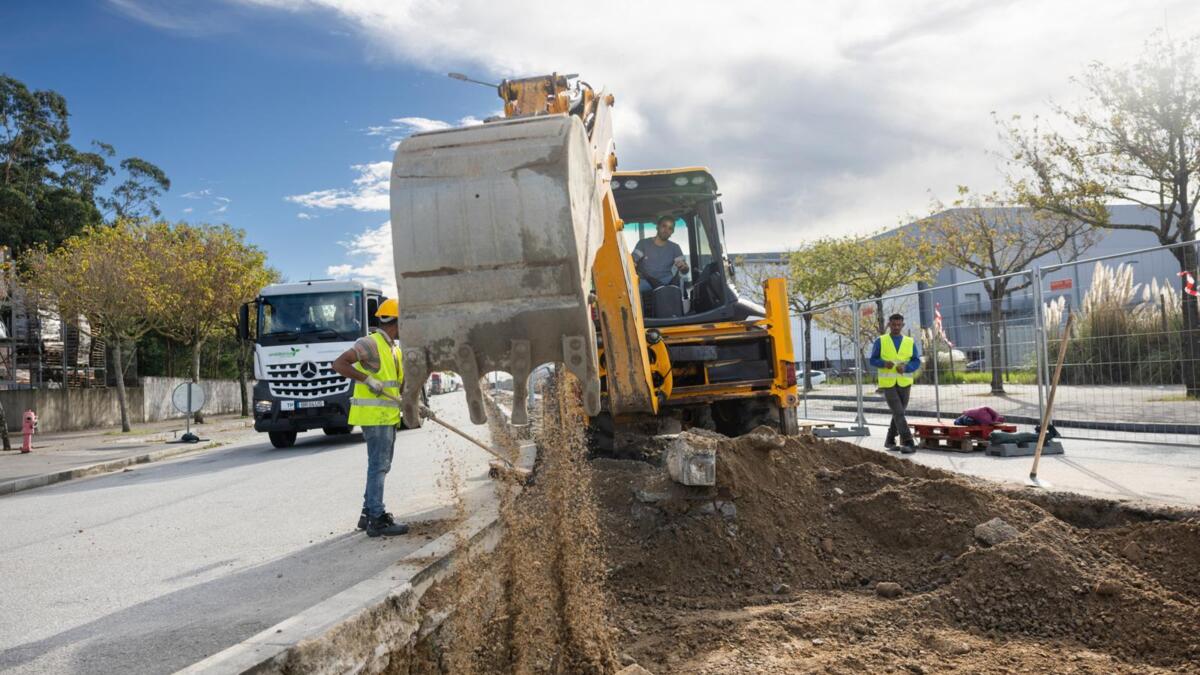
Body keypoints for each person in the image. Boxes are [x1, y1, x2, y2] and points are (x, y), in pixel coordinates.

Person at [331, 298, 410, 537]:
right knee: (379, 467)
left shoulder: (393, 349)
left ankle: (367, 515)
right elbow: (339, 364)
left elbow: (398, 386)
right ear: (395, 322)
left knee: (379, 466)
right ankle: (377, 518)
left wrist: (412, 403)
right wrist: (366, 379)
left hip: (386, 416)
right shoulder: (371, 343)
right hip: (375, 417)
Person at [869, 313, 922, 453]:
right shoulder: (880, 340)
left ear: (903, 325)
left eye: (899, 325)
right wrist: (882, 363)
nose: (896, 327)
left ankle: (890, 439)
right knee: (898, 412)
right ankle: (908, 441)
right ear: (889, 324)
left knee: (899, 413)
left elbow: (916, 361)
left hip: (905, 382)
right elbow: (872, 360)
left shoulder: (909, 341)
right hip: (888, 383)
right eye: (893, 325)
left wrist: (906, 368)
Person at [632, 215, 689, 291]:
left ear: (672, 232)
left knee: (679, 283)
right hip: (646, 281)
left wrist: (684, 267)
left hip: (666, 280)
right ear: (657, 227)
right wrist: (633, 263)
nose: (666, 230)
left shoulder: (675, 247)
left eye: (670, 228)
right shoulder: (643, 244)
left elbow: (685, 270)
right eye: (664, 226)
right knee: (634, 288)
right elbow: (633, 260)